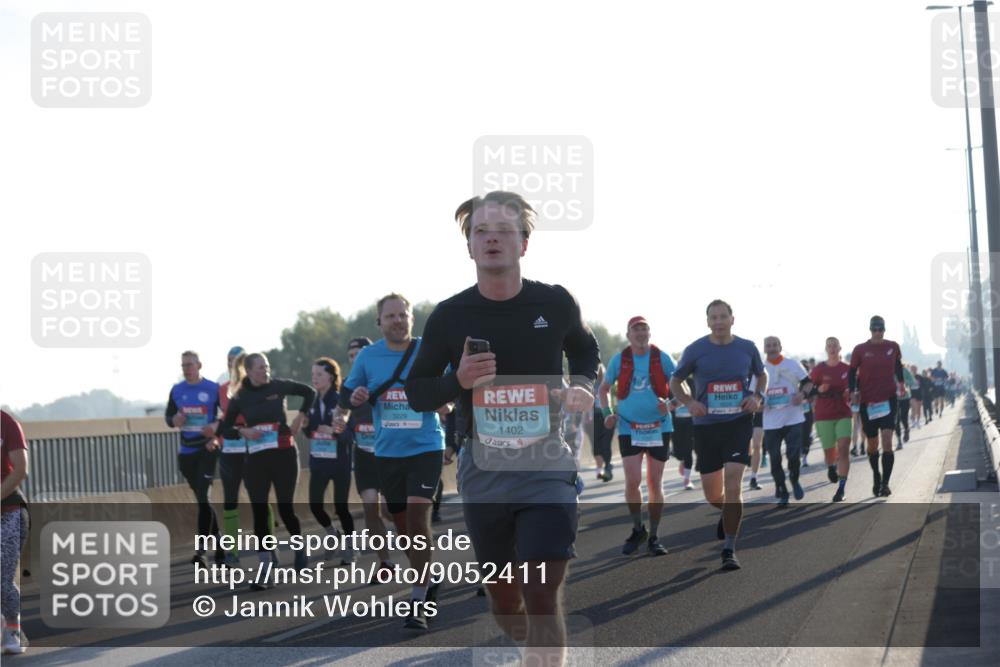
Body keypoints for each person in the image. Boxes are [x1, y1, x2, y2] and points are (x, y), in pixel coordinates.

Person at [405, 191, 599, 664]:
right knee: (505, 598)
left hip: (547, 463)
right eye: (480, 231)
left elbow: (585, 350)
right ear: (469, 246)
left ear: (524, 244)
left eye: (504, 230)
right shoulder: (450, 316)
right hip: (484, 468)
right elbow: (417, 391)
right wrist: (460, 380)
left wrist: (583, 385)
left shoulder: (554, 302)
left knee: (541, 595)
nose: (491, 237)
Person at [339, 294, 448, 631]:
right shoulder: (369, 357)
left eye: (403, 314)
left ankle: (417, 601)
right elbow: (346, 393)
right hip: (387, 452)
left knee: (417, 516)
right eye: (390, 316)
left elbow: (453, 384)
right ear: (380, 322)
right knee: (400, 523)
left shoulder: (429, 349)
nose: (398, 320)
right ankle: (428, 574)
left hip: (426, 447)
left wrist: (446, 402)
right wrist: (354, 396)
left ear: (411, 318)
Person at [670, 299, 766, 571]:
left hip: (738, 422)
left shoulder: (747, 348)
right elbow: (675, 381)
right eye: (714, 317)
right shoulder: (695, 350)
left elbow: (762, 374)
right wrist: (690, 403)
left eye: (723, 316)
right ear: (708, 321)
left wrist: (757, 396)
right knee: (714, 494)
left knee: (734, 484)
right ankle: (727, 511)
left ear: (732, 319)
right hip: (706, 426)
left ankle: (729, 549)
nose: (719, 321)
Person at [217, 352, 316, 586]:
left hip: (284, 455)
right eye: (260, 368)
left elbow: (308, 392)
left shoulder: (278, 386)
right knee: (260, 510)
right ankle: (266, 567)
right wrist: (243, 431)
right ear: (249, 371)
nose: (266, 371)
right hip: (257, 459)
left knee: (285, 508)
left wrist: (300, 417)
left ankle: (299, 548)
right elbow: (226, 428)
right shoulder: (241, 396)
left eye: (267, 366)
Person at [600, 316, 675, 556]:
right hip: (629, 427)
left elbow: (681, 387)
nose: (641, 334)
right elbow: (603, 389)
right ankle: (637, 527)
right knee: (632, 481)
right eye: (636, 330)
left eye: (644, 329)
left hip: (659, 427)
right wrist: (607, 413)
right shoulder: (619, 359)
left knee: (655, 482)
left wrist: (671, 404)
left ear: (649, 333)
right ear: (628, 335)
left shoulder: (662, 357)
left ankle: (654, 536)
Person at [165, 351, 224, 567]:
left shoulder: (212, 389)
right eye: (183, 365)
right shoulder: (177, 390)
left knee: (203, 497)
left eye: (190, 364)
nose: (187, 369)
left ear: (199, 365)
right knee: (203, 500)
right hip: (187, 452)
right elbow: (168, 417)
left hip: (207, 449)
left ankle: (201, 552)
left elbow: (226, 415)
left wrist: (216, 431)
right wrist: (175, 419)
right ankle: (220, 545)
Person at [344, 337, 393, 572]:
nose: (355, 359)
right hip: (363, 455)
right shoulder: (347, 384)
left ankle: (418, 545)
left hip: (390, 453)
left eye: (358, 354)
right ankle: (385, 561)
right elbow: (341, 411)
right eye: (351, 356)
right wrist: (339, 421)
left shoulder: (381, 377)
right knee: (370, 506)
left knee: (391, 512)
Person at [305, 357, 356, 565]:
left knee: (341, 507)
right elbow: (308, 430)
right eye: (313, 375)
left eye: (319, 374)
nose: (315, 379)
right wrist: (309, 428)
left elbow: (350, 435)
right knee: (315, 504)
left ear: (331, 376)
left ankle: (351, 548)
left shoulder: (341, 401)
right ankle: (332, 533)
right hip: (318, 461)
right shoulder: (312, 401)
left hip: (340, 462)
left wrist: (334, 432)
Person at [849, 316, 905, 498]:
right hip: (868, 401)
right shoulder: (860, 349)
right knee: (873, 445)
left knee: (887, 441)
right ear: (870, 330)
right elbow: (851, 371)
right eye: (874, 329)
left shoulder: (893, 346)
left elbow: (897, 365)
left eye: (881, 329)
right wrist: (852, 391)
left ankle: (885, 484)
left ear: (885, 330)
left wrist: (902, 383)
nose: (878, 332)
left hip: (889, 399)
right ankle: (876, 475)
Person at [760, 337, 811, 507]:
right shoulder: (759, 369)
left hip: (793, 418)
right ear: (764, 348)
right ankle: (782, 490)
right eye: (769, 345)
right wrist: (758, 404)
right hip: (771, 421)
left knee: (793, 455)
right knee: (774, 458)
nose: (772, 348)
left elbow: (808, 383)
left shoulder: (792, 364)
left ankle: (794, 480)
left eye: (775, 345)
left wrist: (802, 395)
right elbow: (753, 394)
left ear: (780, 347)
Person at [810, 338, 853, 502]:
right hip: (823, 414)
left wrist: (850, 391)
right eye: (829, 346)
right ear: (826, 349)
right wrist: (819, 389)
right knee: (830, 452)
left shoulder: (847, 369)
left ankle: (841, 488)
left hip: (843, 412)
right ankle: (830, 466)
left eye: (835, 345)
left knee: (843, 449)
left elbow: (855, 386)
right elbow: (808, 388)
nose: (832, 348)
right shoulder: (819, 369)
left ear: (840, 348)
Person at [1, 411, 29, 655]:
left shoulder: (6, 423)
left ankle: (12, 628)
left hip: (8, 511)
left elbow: (20, 470)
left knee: (1, 577)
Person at [589, 364, 614, 482]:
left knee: (605, 444)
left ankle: (607, 467)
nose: (598, 372)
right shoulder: (589, 384)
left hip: (607, 415)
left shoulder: (608, 383)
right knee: (596, 447)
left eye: (600, 370)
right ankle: (601, 469)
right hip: (593, 417)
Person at [671, 376, 696, 490]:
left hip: (690, 421)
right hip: (676, 422)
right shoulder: (671, 384)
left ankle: (687, 479)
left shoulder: (691, 382)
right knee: (677, 451)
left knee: (688, 449)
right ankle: (681, 460)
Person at [747, 375, 765, 492]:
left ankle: (754, 477)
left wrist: (757, 405)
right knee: (746, 448)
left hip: (757, 417)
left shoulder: (760, 376)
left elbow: (763, 404)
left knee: (757, 445)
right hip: (741, 416)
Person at [895, 362, 914, 450]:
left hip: (905, 397)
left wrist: (903, 383)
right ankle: (899, 441)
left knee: (903, 417)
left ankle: (906, 429)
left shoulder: (904, 370)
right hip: (894, 398)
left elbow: (912, 381)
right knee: (896, 420)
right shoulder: (888, 371)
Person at [908, 363, 923, 430]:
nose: (914, 370)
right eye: (912, 369)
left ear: (916, 369)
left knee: (919, 409)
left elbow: (923, 385)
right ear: (910, 370)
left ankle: (918, 421)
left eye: (915, 369)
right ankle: (913, 421)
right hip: (912, 394)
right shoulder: (908, 377)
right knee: (914, 408)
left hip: (919, 394)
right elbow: (906, 385)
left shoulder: (919, 376)